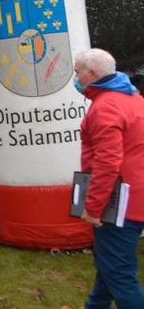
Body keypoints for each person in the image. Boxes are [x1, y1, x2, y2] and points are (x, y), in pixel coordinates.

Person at [74, 49, 144, 309]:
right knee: (109, 267)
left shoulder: (105, 106)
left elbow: (107, 162)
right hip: (136, 198)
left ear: (92, 74)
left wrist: (93, 208)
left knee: (120, 276)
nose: (76, 77)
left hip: (118, 206)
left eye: (77, 71)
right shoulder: (134, 100)